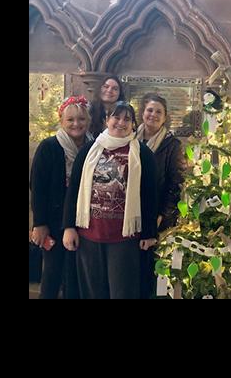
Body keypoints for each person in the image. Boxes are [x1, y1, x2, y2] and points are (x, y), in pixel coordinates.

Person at [62, 101, 158, 299]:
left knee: (122, 292)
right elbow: (74, 191)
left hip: (124, 239)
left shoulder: (143, 154)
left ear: (133, 124)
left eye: (127, 119)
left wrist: (149, 233)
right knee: (92, 292)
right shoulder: (89, 150)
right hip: (89, 234)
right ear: (107, 120)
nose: (121, 122)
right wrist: (69, 227)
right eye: (116, 117)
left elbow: (151, 195)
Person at [29, 96, 92, 299]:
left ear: (88, 120)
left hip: (83, 222)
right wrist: (39, 224)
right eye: (70, 120)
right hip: (54, 223)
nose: (76, 124)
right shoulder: (49, 147)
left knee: (75, 276)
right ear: (61, 121)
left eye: (81, 119)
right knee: (52, 275)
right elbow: (38, 188)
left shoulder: (93, 147)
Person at [135, 93, 186, 298]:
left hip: (157, 216)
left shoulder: (172, 145)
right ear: (142, 113)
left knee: (154, 268)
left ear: (165, 117)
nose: (153, 115)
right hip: (132, 213)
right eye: (149, 110)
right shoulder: (131, 139)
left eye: (158, 112)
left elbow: (176, 184)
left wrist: (162, 215)